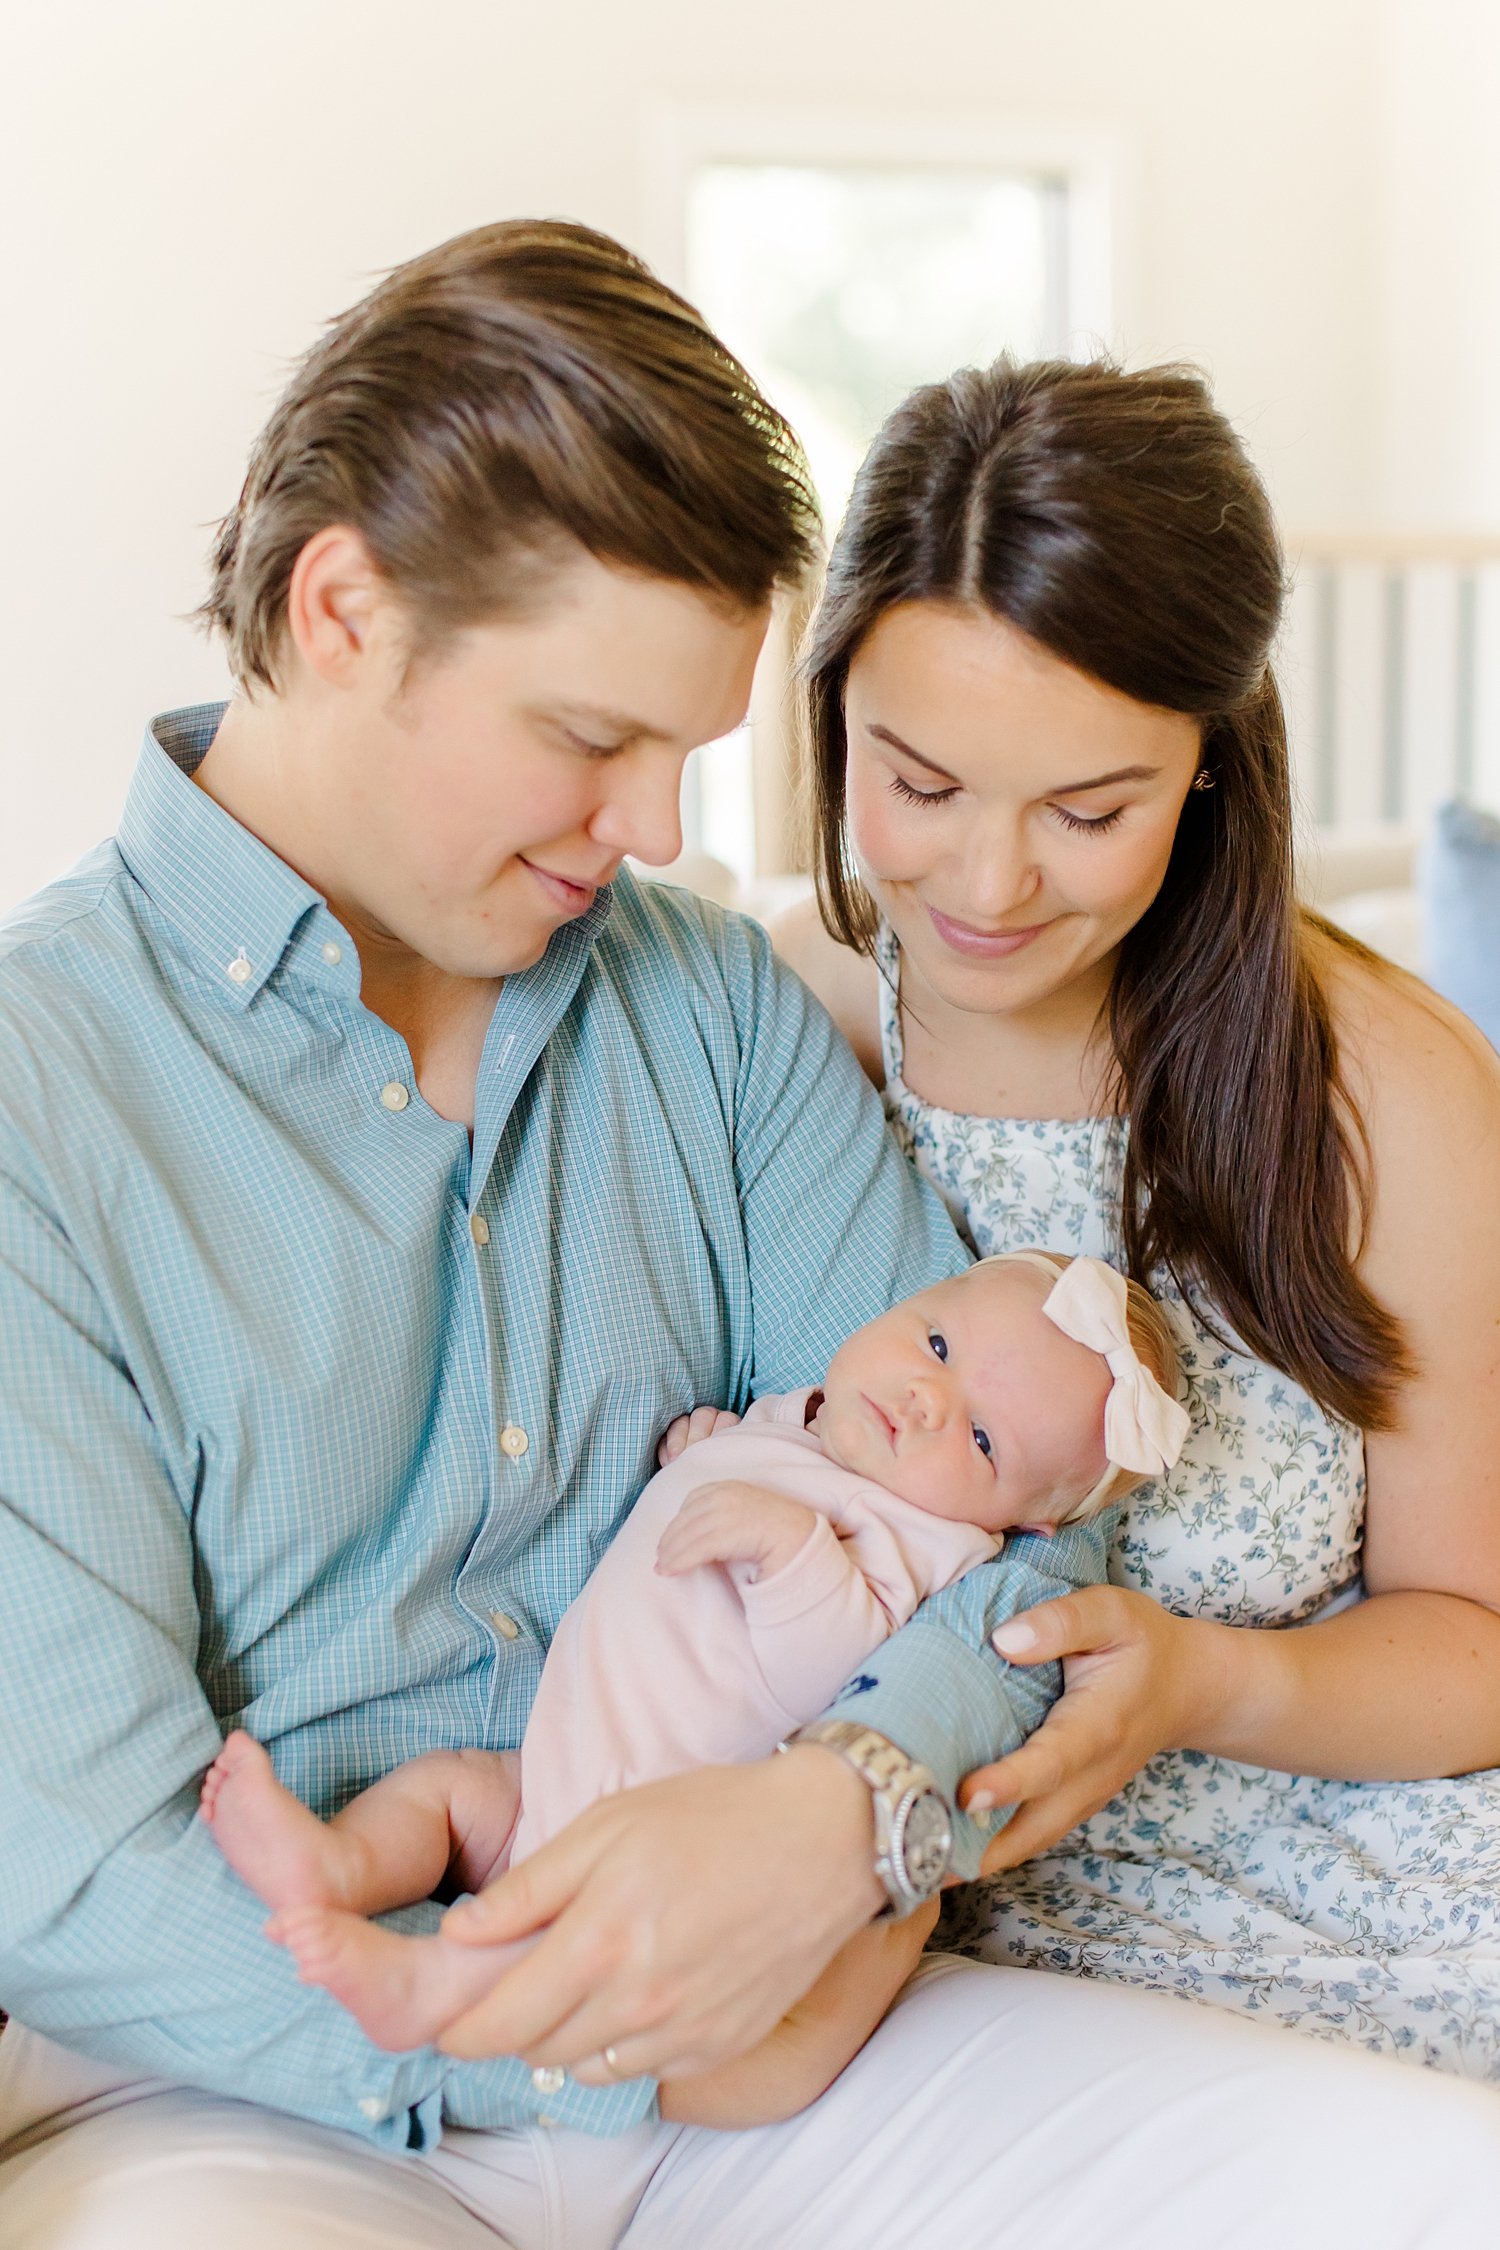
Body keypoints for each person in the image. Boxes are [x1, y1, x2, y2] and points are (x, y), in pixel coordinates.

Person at [3, 227, 1500, 2250]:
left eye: (689, 755)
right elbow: (83, 1870)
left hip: (806, 2019)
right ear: (343, 608)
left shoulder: (700, 1003)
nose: (652, 828)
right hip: (286, 2082)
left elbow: (1013, 1504)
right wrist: (576, 2032)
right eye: (591, 740)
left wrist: (845, 1816)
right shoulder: (39, 1096)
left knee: (1433, 2187)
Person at [775, 352, 1500, 2082]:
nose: (989, 885)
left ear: (1207, 771)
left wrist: (1206, 1687)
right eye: (919, 784)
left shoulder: (1378, 1088)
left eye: (1088, 810)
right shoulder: (787, 1026)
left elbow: (1475, 1641)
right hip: (888, 1922)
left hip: (1358, 1900)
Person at [198, 1251, 1187, 2089]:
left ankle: (434, 1991)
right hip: (551, 1772)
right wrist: (710, 1448)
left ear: (1022, 1524)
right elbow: (737, 1476)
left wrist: (793, 1551)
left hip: (658, 1823)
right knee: (449, 1794)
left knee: (557, 1935)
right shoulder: (815, 1420)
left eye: (980, 1439)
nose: (929, 1401)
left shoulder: (928, 1540)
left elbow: (832, 1666)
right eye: (937, 1344)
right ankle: (341, 1865)